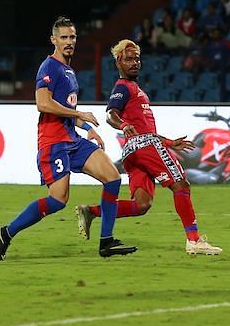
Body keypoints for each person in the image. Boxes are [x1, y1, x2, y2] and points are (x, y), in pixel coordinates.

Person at [0, 17, 137, 260]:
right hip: (54, 143)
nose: (69, 42)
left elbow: (65, 108)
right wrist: (79, 113)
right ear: (54, 40)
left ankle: (106, 241)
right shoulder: (49, 67)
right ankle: (5, 232)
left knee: (112, 177)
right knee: (58, 200)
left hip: (73, 139)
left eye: (73, 37)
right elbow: (43, 104)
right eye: (64, 37)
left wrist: (87, 127)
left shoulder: (68, 70)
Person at [75, 39, 222, 255]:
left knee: (141, 205)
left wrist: (170, 142)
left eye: (137, 59)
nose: (134, 63)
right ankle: (194, 241)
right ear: (118, 62)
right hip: (143, 147)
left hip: (134, 151)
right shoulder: (123, 87)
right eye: (128, 59)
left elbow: (144, 129)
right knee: (181, 185)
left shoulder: (136, 89)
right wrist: (123, 124)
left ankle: (91, 212)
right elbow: (110, 114)